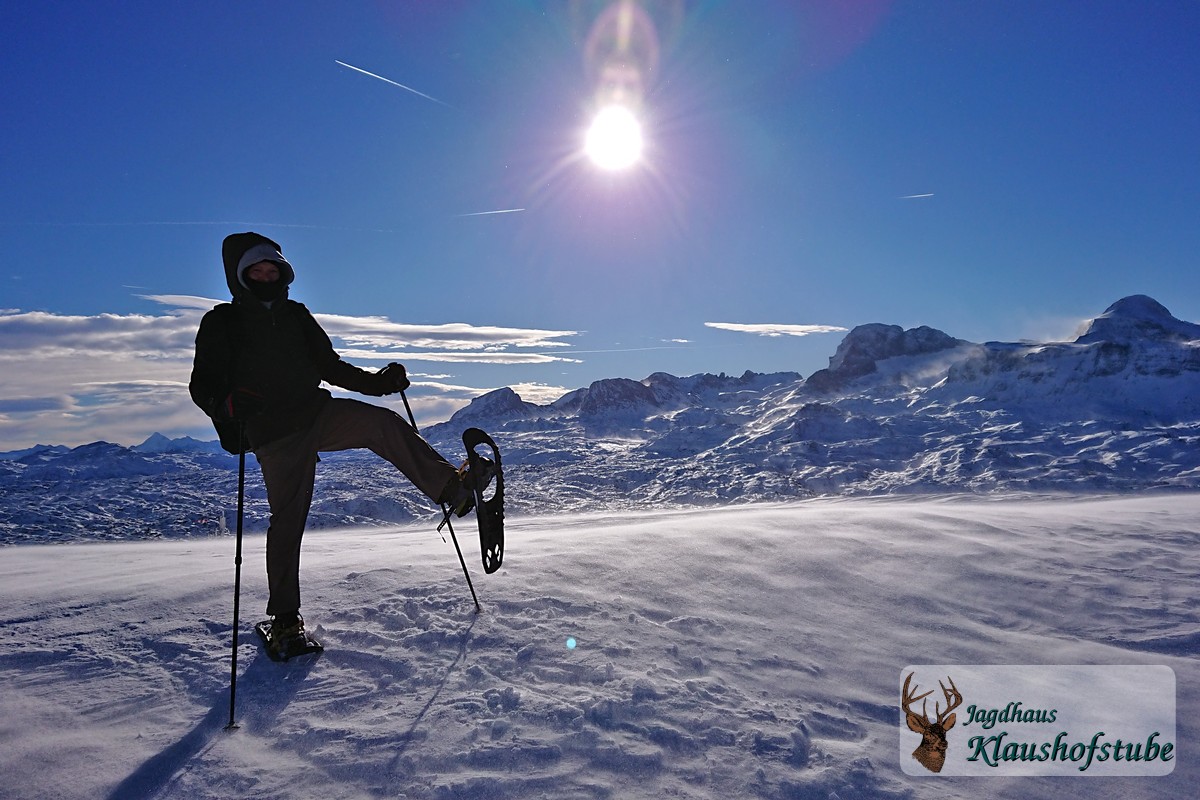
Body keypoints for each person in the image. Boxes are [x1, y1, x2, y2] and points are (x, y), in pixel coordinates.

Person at [190, 232, 488, 655]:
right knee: (288, 520)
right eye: (255, 270)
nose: (265, 275)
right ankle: (286, 620)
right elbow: (201, 385)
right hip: (274, 434)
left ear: (282, 273)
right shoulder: (221, 323)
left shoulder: (296, 315)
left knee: (382, 425)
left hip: (317, 413)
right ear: (240, 277)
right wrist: (226, 405)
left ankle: (451, 489)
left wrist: (380, 385)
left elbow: (330, 366)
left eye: (271, 269)